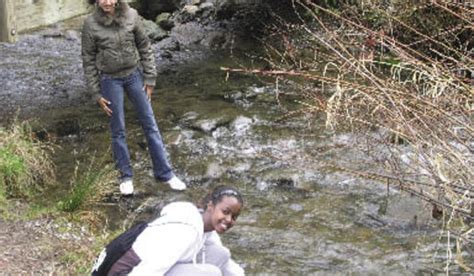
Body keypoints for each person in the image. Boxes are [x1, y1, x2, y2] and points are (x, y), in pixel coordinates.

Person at [81, 0, 186, 195]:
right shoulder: (90, 24)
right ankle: (125, 176)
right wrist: (96, 94)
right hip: (110, 81)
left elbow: (145, 46)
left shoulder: (132, 15)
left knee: (150, 124)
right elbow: (87, 61)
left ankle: (165, 173)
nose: (107, 2)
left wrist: (150, 77)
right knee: (118, 129)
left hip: (134, 76)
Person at [91, 186, 245, 275]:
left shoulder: (205, 226)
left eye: (234, 216)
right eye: (225, 211)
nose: (229, 220)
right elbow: (150, 268)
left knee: (221, 254)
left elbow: (225, 260)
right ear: (210, 206)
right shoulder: (185, 231)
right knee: (210, 274)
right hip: (126, 271)